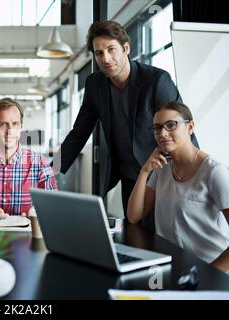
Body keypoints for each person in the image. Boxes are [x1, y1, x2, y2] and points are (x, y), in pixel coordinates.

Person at [54, 20, 198, 222]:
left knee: (166, 239)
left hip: (162, 176)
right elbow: (79, 133)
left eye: (111, 49)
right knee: (135, 235)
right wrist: (50, 170)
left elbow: (180, 131)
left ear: (126, 48)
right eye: (99, 53)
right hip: (130, 178)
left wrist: (194, 179)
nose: (106, 58)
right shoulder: (95, 85)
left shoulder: (156, 81)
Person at [127, 102, 229, 272]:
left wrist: (207, 275)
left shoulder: (215, 172)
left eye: (171, 125)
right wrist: (145, 171)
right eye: (157, 128)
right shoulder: (162, 167)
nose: (163, 133)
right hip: (172, 268)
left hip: (210, 273)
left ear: (190, 127)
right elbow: (133, 216)